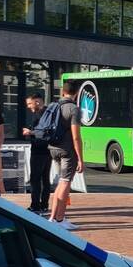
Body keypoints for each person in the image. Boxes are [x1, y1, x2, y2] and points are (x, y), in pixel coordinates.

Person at [48, 81, 84, 230]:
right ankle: (60, 220)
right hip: (67, 151)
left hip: (53, 148)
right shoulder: (74, 109)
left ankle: (53, 217)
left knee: (61, 182)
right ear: (76, 93)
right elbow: (76, 137)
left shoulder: (53, 106)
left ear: (63, 92)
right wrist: (80, 158)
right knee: (65, 183)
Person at [22, 93, 52, 214]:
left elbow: (43, 132)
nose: (28, 106)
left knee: (35, 178)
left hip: (39, 150)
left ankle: (35, 205)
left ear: (37, 101)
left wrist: (30, 132)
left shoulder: (41, 114)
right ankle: (44, 204)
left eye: (30, 103)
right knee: (45, 178)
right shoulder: (49, 113)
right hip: (47, 150)